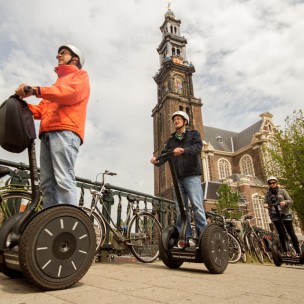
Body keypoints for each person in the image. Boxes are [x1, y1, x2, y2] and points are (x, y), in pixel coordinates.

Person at [15, 44, 90, 208]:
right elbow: (41, 109)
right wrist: (19, 105)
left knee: (63, 179)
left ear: (75, 58)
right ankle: (52, 224)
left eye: (63, 53)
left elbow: (70, 94)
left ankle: (69, 225)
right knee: (47, 184)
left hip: (65, 131)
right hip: (47, 132)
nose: (58, 56)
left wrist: (35, 90)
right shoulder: (56, 84)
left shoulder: (80, 76)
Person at [150, 111, 207, 246]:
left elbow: (198, 147)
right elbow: (164, 156)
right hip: (177, 179)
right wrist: (156, 160)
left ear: (185, 121)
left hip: (191, 175)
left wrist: (183, 150)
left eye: (178, 119)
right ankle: (186, 239)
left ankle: (203, 238)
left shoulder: (194, 135)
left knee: (197, 207)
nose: (175, 121)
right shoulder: (171, 141)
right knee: (181, 209)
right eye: (174, 119)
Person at [263, 176, 300, 255]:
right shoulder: (268, 193)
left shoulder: (282, 191)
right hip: (275, 215)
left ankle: (298, 251)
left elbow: (290, 200)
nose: (272, 184)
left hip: (285, 214)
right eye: (270, 183)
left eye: (273, 182)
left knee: (291, 232)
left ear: (276, 183)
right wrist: (265, 204)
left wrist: (285, 202)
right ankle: (286, 251)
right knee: (281, 233)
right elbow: (265, 201)